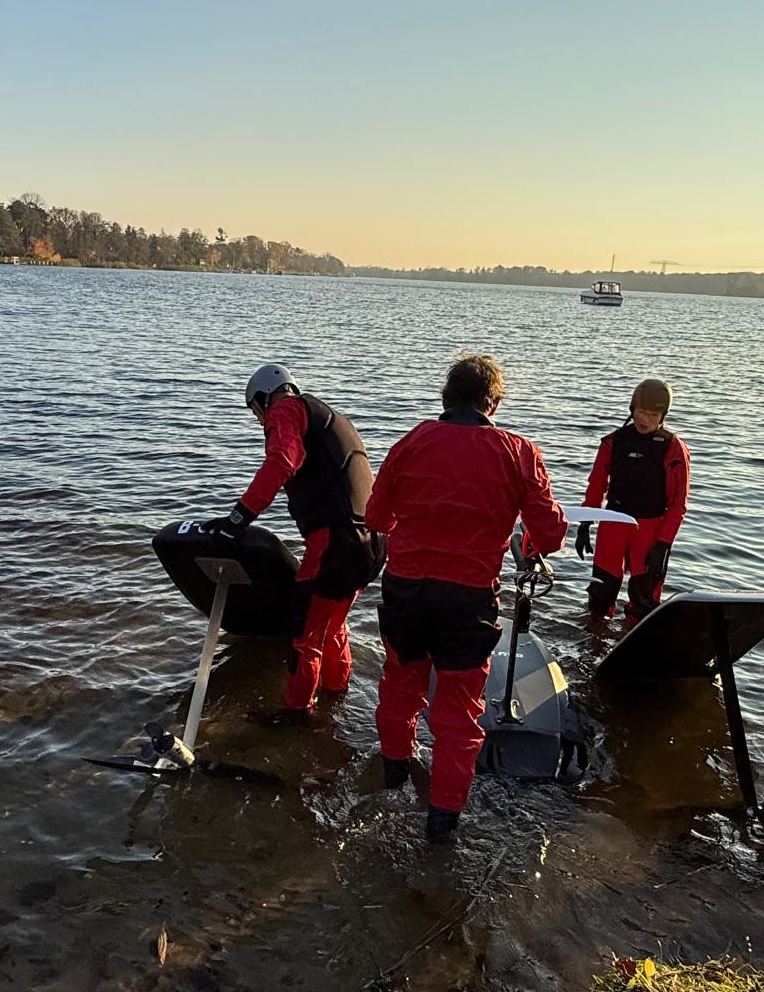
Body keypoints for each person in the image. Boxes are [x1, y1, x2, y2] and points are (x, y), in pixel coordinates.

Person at [364, 353, 568, 845]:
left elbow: (375, 518)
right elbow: (552, 533)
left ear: (445, 398)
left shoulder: (412, 441)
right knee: (457, 713)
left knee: (400, 688)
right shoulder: (517, 452)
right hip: (467, 597)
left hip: (407, 588)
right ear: (491, 404)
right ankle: (441, 828)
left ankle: (394, 777)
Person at [203, 364, 384, 722]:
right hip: (371, 544)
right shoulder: (331, 418)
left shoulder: (285, 408)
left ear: (264, 397)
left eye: (257, 411)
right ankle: (336, 700)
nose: (260, 420)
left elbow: (283, 460)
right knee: (330, 628)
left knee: (301, 634)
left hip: (334, 542)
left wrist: (240, 516)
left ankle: (297, 714)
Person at [576, 378, 690, 621]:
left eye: (652, 413)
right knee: (600, 595)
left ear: (663, 415)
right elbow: (596, 486)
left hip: (650, 530)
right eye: (640, 412)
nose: (644, 419)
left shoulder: (673, 447)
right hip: (613, 524)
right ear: (631, 409)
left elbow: (678, 504)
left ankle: (634, 644)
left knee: (644, 600)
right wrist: (585, 522)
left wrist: (663, 543)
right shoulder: (612, 442)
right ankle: (593, 647)